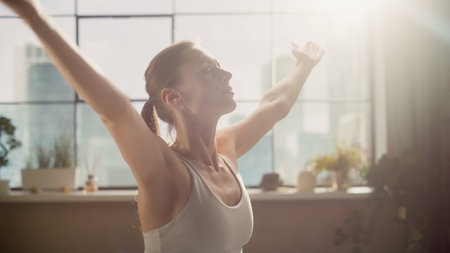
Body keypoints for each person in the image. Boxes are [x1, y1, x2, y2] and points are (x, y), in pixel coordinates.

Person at [1, 0, 324, 252]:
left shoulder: (227, 151)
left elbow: (274, 106)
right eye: (208, 70)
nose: (227, 75)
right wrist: (33, 14)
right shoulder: (165, 170)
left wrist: (304, 66)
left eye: (220, 67)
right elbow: (113, 110)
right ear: (174, 97)